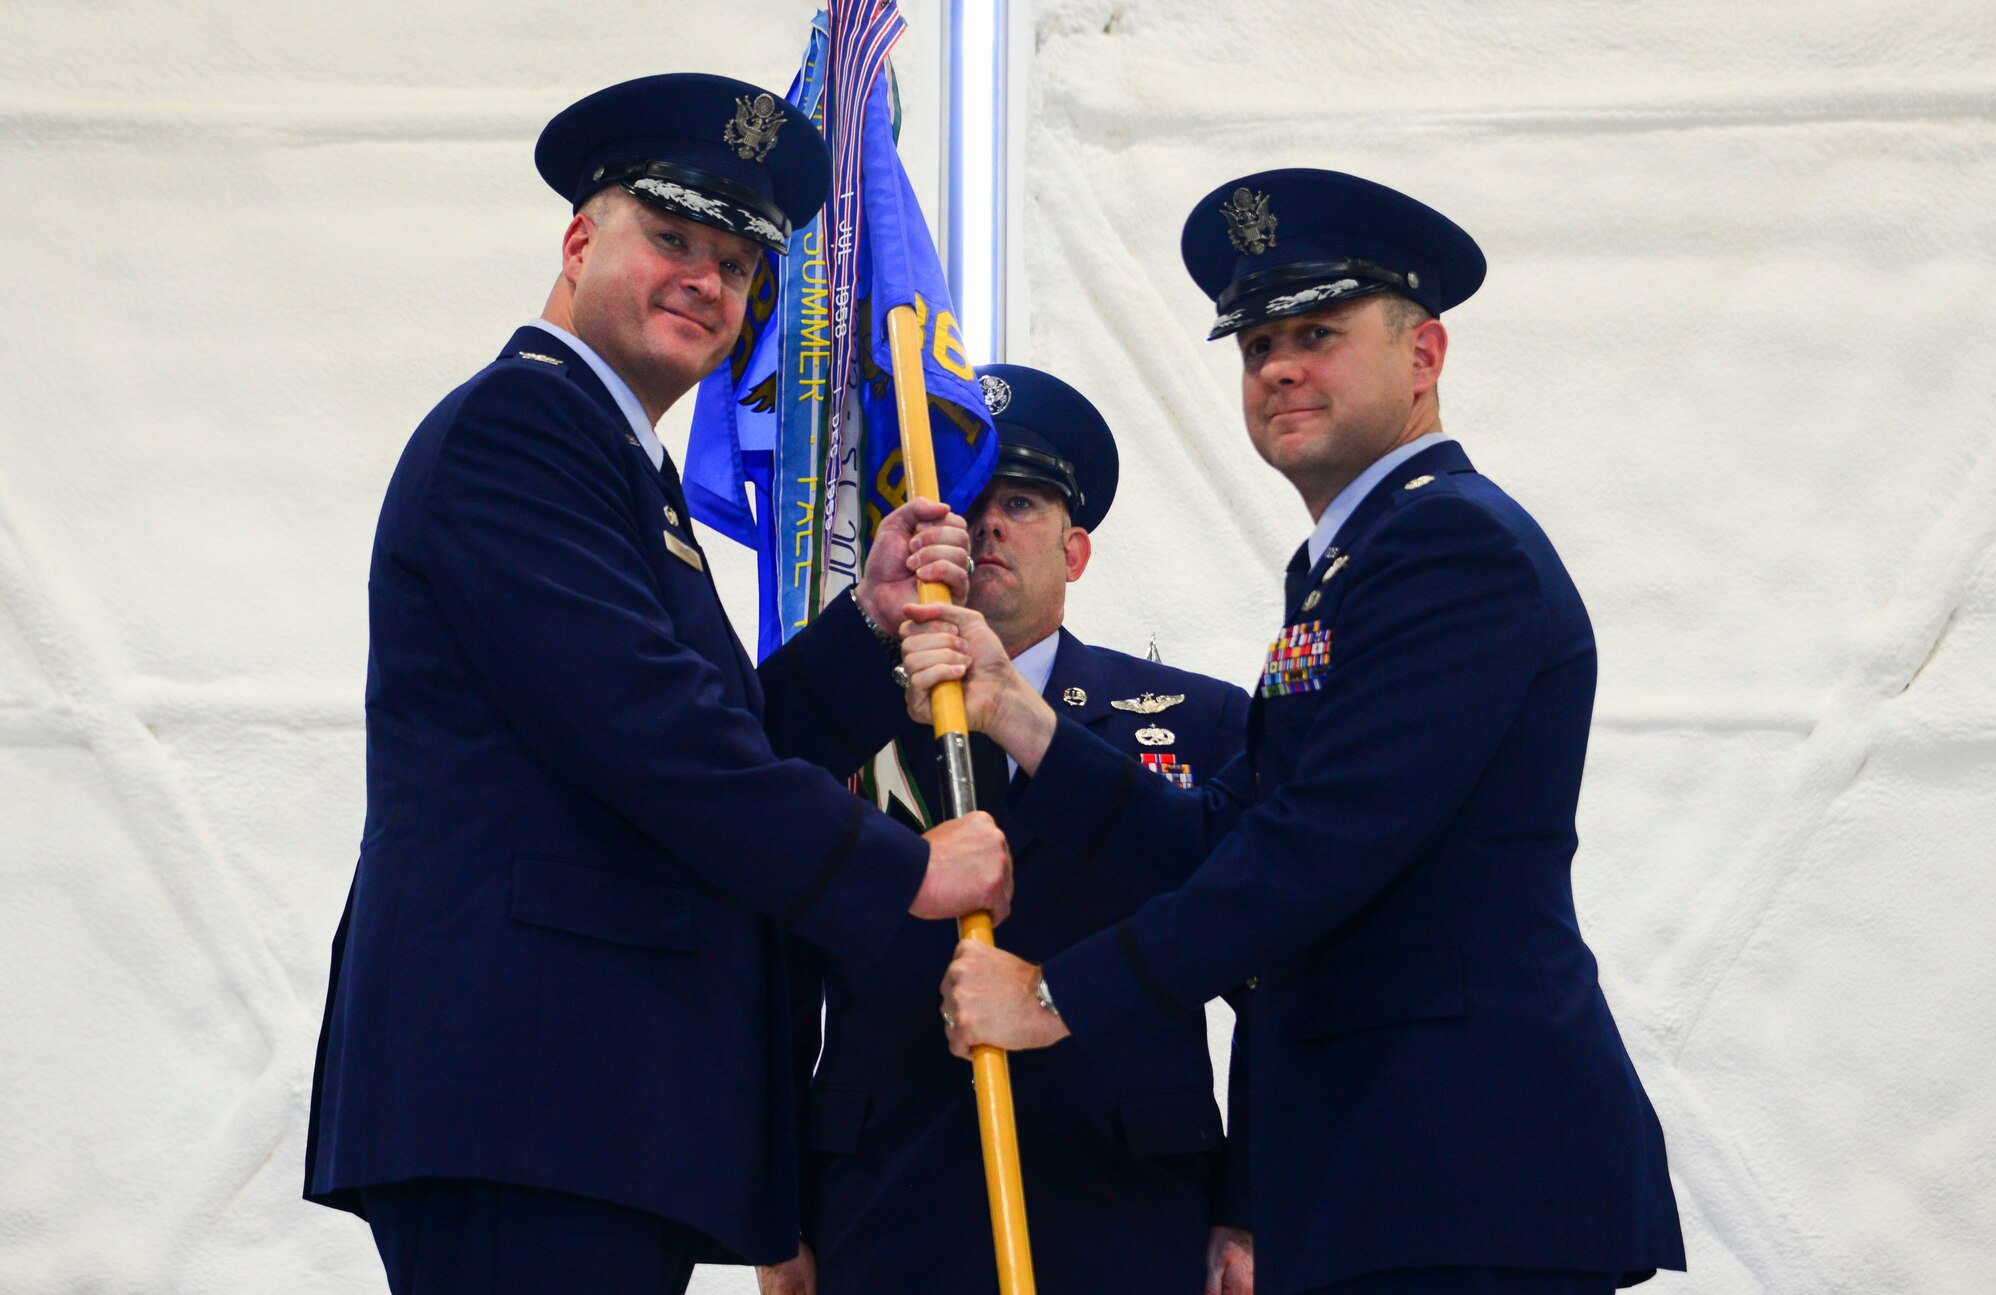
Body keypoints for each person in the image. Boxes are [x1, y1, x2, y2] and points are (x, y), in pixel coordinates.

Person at [910, 169, 1688, 1295]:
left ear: (1422, 356)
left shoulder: (1450, 548)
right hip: (1377, 1162)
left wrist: (1053, 996)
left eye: (1316, 332)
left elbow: (1317, 850)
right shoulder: (1347, 562)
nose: (1276, 366)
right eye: (1255, 342)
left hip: (1460, 1162)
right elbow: (1234, 830)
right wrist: (1020, 716)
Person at [302, 73, 1012, 1295]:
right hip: (529, 1087)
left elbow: (703, 721)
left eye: (737, 265)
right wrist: (901, 868)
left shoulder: (610, 458)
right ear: (579, 242)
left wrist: (867, 625)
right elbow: (645, 726)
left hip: (585, 1094)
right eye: (671, 238)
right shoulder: (519, 431)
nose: (707, 281)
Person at [759, 365, 1255, 1295]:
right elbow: (776, 979)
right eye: (963, 497)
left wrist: (1251, 1202)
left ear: (1076, 551)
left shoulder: (1197, 722)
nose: (984, 522)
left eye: (1019, 501)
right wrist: (776, 1214)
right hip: (887, 1203)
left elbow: (1268, 973)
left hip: (1127, 1203)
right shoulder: (833, 718)